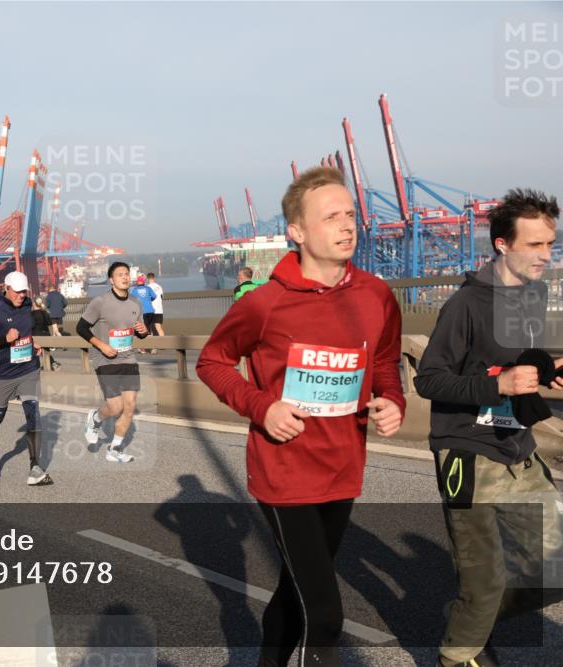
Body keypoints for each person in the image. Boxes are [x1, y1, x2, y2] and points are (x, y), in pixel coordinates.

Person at [196, 167, 405, 666]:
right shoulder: (265, 303)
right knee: (326, 615)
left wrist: (393, 399)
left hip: (343, 465)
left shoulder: (376, 295)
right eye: (330, 216)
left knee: (296, 593)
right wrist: (262, 407)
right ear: (297, 232)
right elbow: (212, 361)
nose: (346, 225)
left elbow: (383, 361)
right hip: (284, 471)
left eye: (350, 214)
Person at [414, 189, 563, 667]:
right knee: (486, 583)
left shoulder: (531, 294)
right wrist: (499, 384)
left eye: (550, 244)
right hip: (467, 450)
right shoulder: (465, 304)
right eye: (534, 245)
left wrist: (547, 369)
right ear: (502, 245)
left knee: (555, 570)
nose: (546, 255)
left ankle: (469, 619)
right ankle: (456, 656)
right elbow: (430, 379)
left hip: (517, 446)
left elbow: (518, 361)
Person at [0, 271, 52, 486]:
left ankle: (35, 468)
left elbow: (26, 332)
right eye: (17, 292)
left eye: (24, 291)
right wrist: (3, 339)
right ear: (6, 289)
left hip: (28, 370)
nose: (21, 295)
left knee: (33, 413)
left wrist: (32, 343)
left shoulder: (27, 305)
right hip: (3, 375)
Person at [79, 262, 150, 462]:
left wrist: (144, 331)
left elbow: (140, 332)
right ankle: (95, 419)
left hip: (128, 358)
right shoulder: (100, 302)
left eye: (127, 274)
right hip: (105, 359)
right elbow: (81, 328)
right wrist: (101, 345)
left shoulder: (136, 302)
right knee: (116, 407)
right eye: (120, 274)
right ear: (111, 280)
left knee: (129, 406)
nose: (125, 277)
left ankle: (115, 449)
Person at [129, 275, 157, 353]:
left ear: (138, 282)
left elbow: (131, 300)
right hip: (151, 311)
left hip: (142, 312)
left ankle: (143, 348)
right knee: (150, 329)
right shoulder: (148, 288)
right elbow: (154, 296)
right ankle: (153, 348)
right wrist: (148, 299)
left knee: (143, 330)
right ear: (144, 282)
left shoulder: (134, 290)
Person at [31, 297, 59, 371]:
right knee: (45, 352)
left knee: (35, 352)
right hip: (46, 335)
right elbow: (49, 323)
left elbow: (30, 325)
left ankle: (36, 368)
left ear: (34, 304)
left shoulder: (31, 314)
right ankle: (52, 364)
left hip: (36, 336)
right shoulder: (45, 312)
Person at [146, 272, 166, 337]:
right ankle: (164, 344)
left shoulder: (147, 287)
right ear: (154, 278)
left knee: (149, 330)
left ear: (147, 278)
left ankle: (152, 346)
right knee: (159, 328)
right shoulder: (159, 287)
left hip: (150, 311)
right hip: (159, 310)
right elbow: (162, 297)